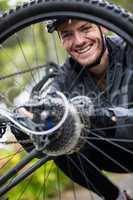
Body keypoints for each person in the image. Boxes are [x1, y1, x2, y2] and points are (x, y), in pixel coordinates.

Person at [11, 18, 133, 200]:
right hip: (116, 156)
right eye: (67, 34)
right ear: (60, 40)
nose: (79, 41)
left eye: (85, 28)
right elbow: (45, 138)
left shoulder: (129, 46)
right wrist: (28, 126)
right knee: (59, 133)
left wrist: (98, 118)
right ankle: (117, 198)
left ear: (103, 26)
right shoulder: (65, 76)